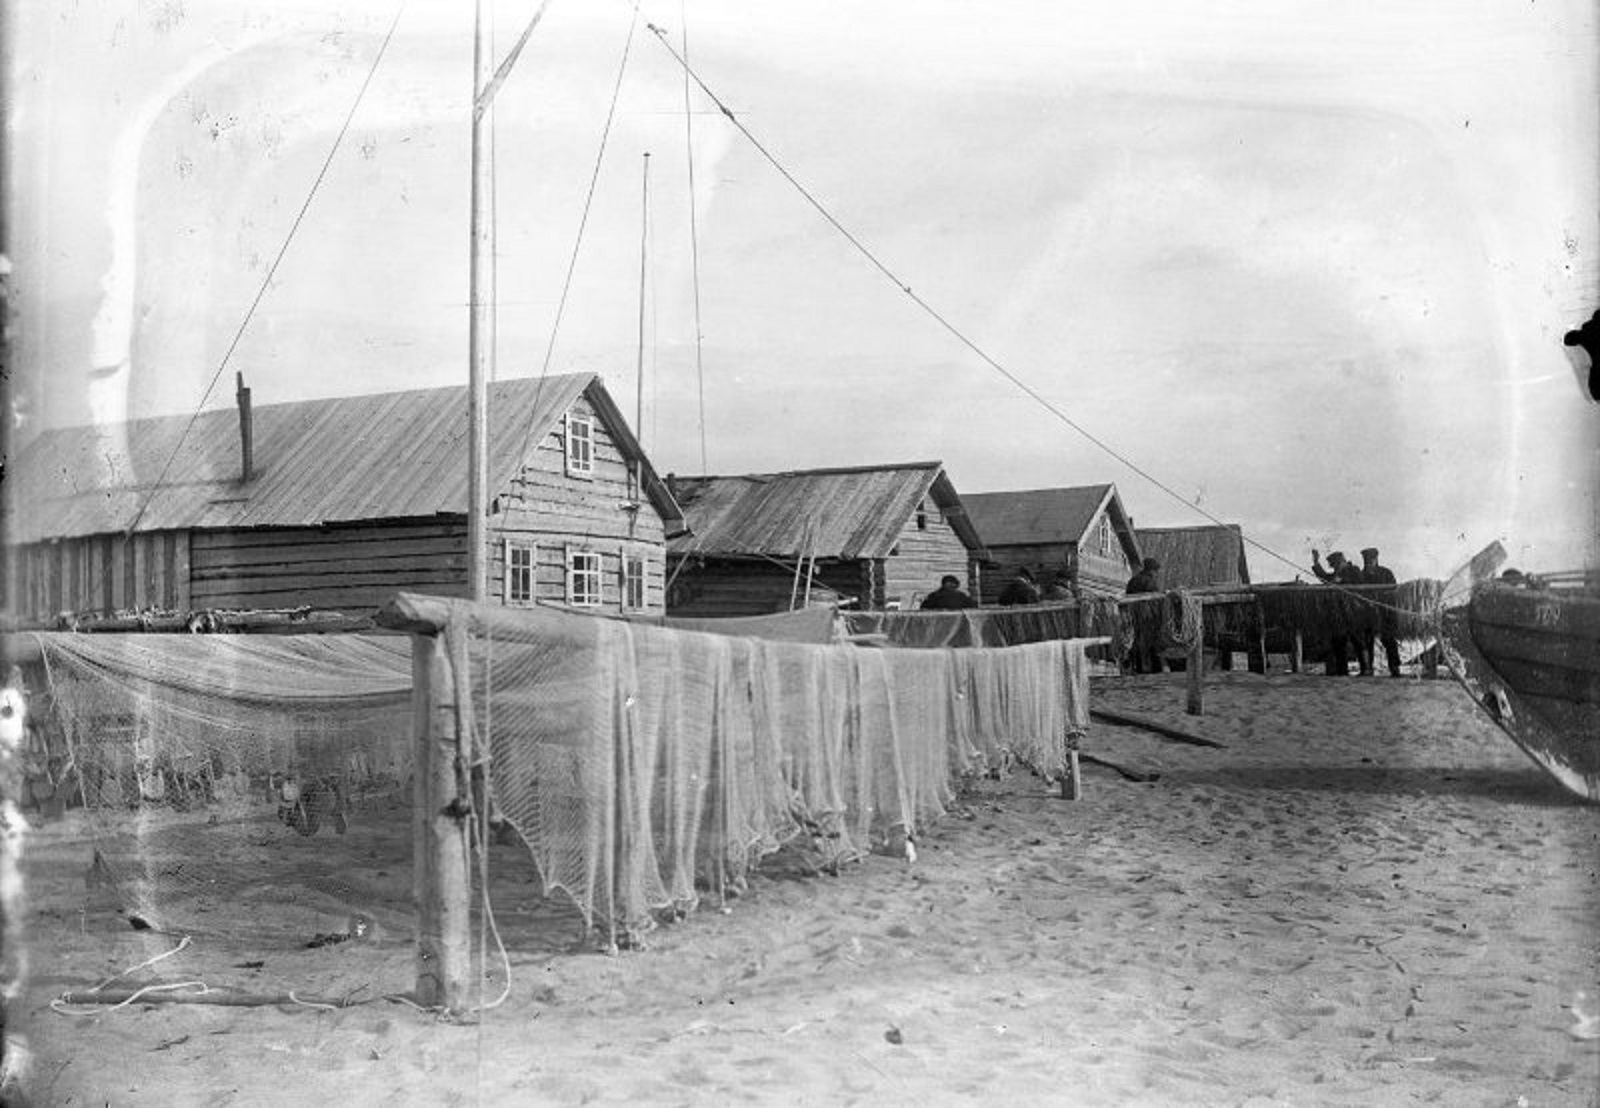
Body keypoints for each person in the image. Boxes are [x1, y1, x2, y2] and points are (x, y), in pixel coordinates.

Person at [1311, 549, 1363, 675]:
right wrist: (1316, 562)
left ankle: (1366, 669)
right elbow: (1324, 577)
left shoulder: (1354, 570)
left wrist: (1340, 580)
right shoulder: (1335, 575)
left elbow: (1358, 583)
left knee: (1358, 640)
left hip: (1354, 610)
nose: (1335, 567)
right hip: (1338, 612)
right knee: (1339, 641)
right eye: (1333, 566)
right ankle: (1342, 671)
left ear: (1343, 562)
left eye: (1336, 564)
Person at [1359, 547, 1402, 677]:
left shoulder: (1386, 573)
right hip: (1368, 612)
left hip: (1385, 611)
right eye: (1366, 561)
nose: (1368, 563)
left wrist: (1379, 598)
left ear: (1376, 559)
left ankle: (1395, 668)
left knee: (1389, 639)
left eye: (1371, 560)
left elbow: (1393, 590)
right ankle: (1367, 668)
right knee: (1367, 639)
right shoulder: (1362, 575)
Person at [1123, 558, 1163, 673]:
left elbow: (1127, 597)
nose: (1156, 574)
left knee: (1135, 641)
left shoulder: (1132, 581)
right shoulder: (1150, 582)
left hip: (1132, 617)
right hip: (1148, 616)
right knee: (1152, 642)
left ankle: (1137, 667)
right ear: (1151, 570)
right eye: (1156, 571)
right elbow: (1157, 600)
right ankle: (1156, 668)